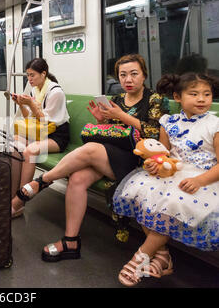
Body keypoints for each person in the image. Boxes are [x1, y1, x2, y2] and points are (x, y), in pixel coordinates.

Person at [14, 54, 169, 262]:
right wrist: (100, 121)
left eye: (134, 74)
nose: (128, 80)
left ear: (144, 75)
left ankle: (42, 181)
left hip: (136, 158)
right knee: (77, 178)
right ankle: (71, 242)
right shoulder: (116, 100)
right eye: (123, 75)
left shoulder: (154, 100)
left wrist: (122, 117)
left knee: (92, 148)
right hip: (107, 154)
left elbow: (154, 133)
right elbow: (109, 132)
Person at [113, 72, 219, 286]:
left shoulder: (214, 124)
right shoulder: (168, 122)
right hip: (173, 172)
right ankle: (162, 256)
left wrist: (199, 181)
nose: (201, 99)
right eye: (194, 94)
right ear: (177, 97)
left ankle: (139, 258)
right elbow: (164, 154)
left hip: (205, 177)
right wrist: (155, 164)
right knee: (140, 192)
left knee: (171, 203)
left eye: (206, 94)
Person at [10, 58, 70, 218]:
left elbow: (45, 120)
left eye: (33, 75)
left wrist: (30, 103)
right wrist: (22, 104)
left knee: (30, 151)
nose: (29, 79)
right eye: (28, 76)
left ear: (44, 74)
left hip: (57, 135)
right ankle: (12, 194)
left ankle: (20, 201)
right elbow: (29, 116)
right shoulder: (34, 90)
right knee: (15, 147)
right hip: (39, 132)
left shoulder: (55, 92)